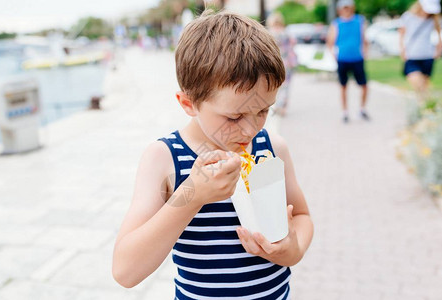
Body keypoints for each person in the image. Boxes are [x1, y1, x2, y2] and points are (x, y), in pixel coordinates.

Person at [112, 10, 314, 299]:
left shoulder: (272, 149)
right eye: (234, 117)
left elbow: (303, 216)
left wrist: (291, 250)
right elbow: (125, 270)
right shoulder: (164, 159)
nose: (250, 129)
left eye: (263, 110)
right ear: (188, 103)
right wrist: (193, 195)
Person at [327, 0, 370, 123]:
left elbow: (364, 38)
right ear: (340, 10)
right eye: (344, 8)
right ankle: (345, 112)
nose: (346, 10)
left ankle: (362, 109)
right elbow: (330, 42)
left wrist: (365, 52)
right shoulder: (336, 24)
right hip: (343, 59)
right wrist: (334, 55)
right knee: (343, 86)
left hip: (357, 58)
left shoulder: (359, 20)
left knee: (364, 85)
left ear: (352, 8)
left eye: (348, 8)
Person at [399, 0, 442, 102]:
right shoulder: (408, 16)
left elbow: (439, 34)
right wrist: (402, 50)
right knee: (417, 82)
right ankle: (426, 104)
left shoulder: (433, 19)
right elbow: (401, 34)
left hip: (427, 54)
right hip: (412, 55)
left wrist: (438, 50)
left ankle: (423, 106)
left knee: (424, 85)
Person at [267, 12, 298, 117]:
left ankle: (274, 105)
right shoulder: (286, 33)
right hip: (287, 63)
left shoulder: (269, 34)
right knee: (286, 86)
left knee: (275, 85)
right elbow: (293, 44)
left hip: (274, 63)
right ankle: (282, 107)